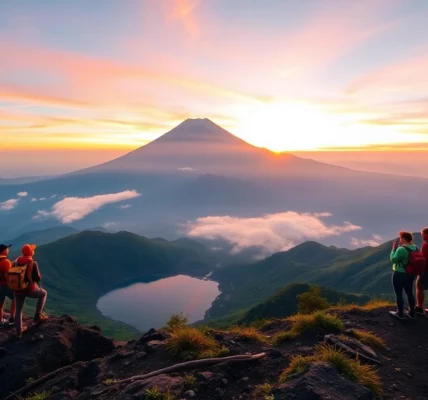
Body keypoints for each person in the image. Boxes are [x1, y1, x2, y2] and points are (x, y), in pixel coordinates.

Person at [13, 244, 48, 338]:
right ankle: (37, 316)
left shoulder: (16, 261)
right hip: (29, 289)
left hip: (17, 289)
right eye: (32, 250)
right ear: (31, 252)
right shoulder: (32, 262)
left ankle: (18, 333)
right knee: (44, 293)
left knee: (18, 310)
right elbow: (37, 278)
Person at [389, 231, 418, 320]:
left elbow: (393, 260)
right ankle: (412, 313)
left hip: (399, 273)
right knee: (409, 292)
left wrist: (393, 250)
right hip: (411, 274)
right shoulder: (415, 247)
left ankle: (400, 313)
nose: (400, 240)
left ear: (404, 239)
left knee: (399, 294)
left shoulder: (401, 249)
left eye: (401, 238)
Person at [0, 244, 16, 327]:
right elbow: (8, 275)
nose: (8, 250)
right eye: (7, 249)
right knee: (15, 298)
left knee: (0, 303)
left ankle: (0, 321)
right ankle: (12, 318)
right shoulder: (6, 261)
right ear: (4, 251)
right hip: (5, 285)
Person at [415, 227, 428, 315]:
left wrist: (420, 271)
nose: (422, 236)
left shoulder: (426, 245)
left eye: (422, 234)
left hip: (426, 270)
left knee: (419, 287)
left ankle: (419, 307)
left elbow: (423, 259)